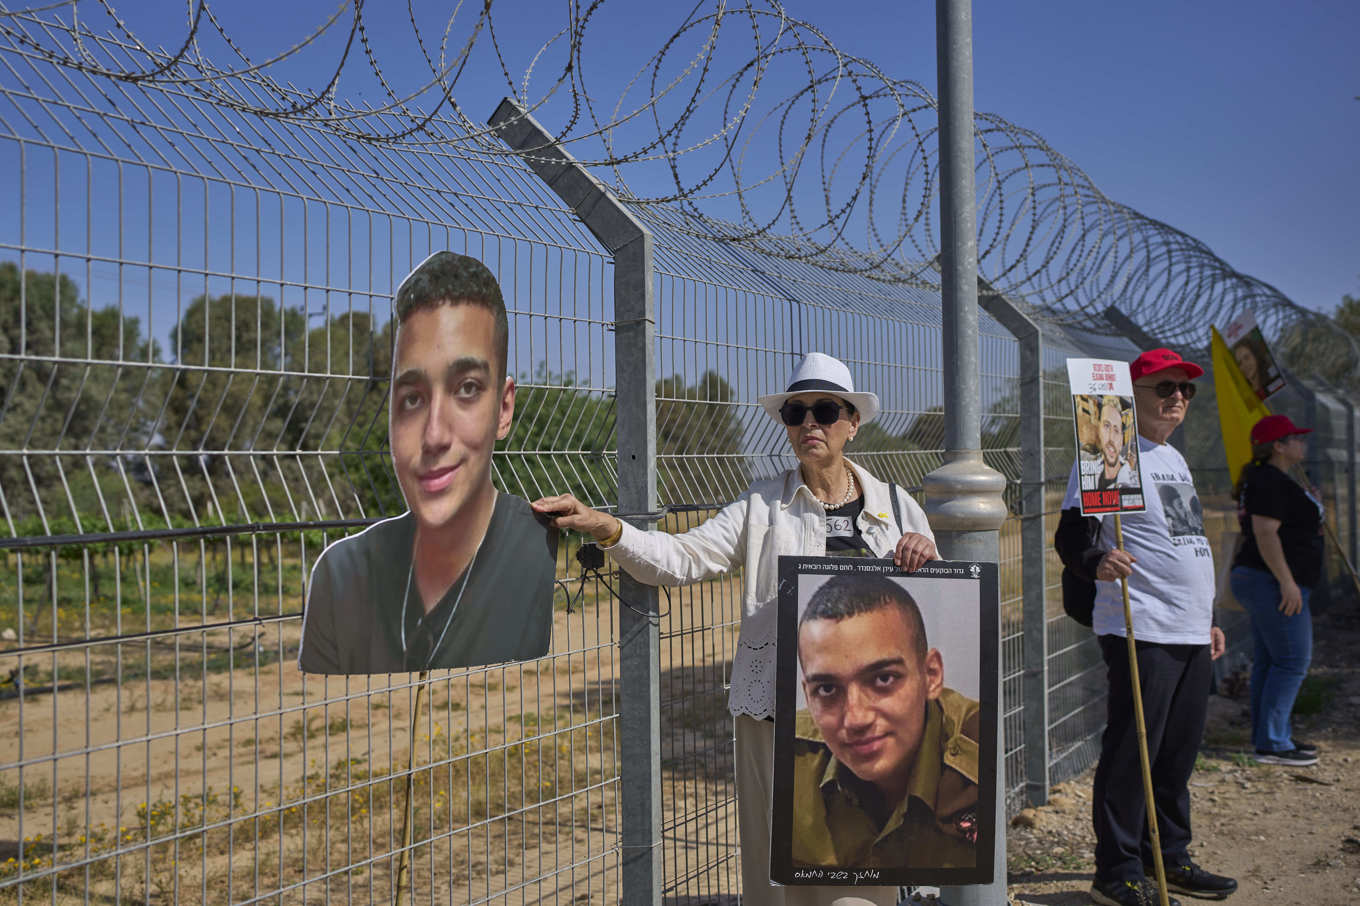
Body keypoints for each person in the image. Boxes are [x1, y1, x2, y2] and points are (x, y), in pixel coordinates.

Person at [532, 351, 938, 906]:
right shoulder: (762, 506)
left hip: (870, 721)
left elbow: (933, 604)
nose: (809, 424)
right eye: (796, 414)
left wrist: (926, 558)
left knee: (868, 871)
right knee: (781, 872)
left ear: (853, 423)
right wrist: (607, 528)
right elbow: (680, 557)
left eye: (824, 410)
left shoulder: (898, 508)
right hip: (778, 715)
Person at [298, 251, 558, 674]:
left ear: (504, 409)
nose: (434, 435)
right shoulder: (343, 579)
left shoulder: (532, 550)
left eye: (467, 388)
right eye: (413, 398)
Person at [1054, 348, 1236, 906]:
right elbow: (1071, 537)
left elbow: (1186, 541)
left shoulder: (1173, 459)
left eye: (1186, 389)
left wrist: (1206, 619)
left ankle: (1170, 857)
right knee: (1134, 749)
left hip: (1187, 630)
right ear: (1132, 397)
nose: (1177, 397)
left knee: (1176, 754)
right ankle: (1117, 870)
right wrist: (1095, 563)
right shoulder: (1111, 452)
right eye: (1164, 388)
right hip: (1141, 624)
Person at [791, 574, 979, 870]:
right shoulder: (793, 762)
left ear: (931, 676)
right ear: (808, 694)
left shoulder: (979, 753)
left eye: (883, 679)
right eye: (827, 689)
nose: (855, 718)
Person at [1228, 414, 1323, 767]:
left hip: (1266, 580)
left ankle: (1270, 736)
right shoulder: (1270, 481)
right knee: (1293, 661)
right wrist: (1287, 582)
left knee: (1273, 660)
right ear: (1278, 446)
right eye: (1295, 437)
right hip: (1271, 582)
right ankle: (1272, 742)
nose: (1303, 442)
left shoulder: (1277, 480)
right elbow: (1266, 534)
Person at [1091, 396, 1136, 490]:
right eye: (1107, 426)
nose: (1111, 438)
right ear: (1099, 430)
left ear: (1121, 438)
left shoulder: (1133, 481)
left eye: (1116, 430)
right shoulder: (1088, 469)